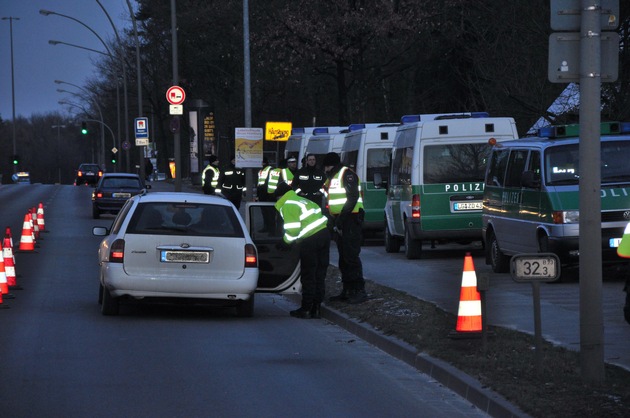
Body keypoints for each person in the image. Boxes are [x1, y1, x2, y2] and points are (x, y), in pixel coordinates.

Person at [274, 181, 330, 319]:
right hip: (324, 235)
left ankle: (306, 309)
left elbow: (293, 230)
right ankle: (316, 309)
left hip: (310, 240)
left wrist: (285, 242)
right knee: (319, 273)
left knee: (308, 274)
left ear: (280, 196)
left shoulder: (288, 204)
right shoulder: (303, 200)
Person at [322, 151, 367, 304]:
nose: (324, 170)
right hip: (340, 220)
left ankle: (358, 290)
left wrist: (341, 218)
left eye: (326, 166)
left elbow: (352, 197)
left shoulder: (346, 174)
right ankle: (347, 290)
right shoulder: (333, 177)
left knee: (351, 256)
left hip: (351, 219)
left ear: (331, 165)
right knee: (343, 258)